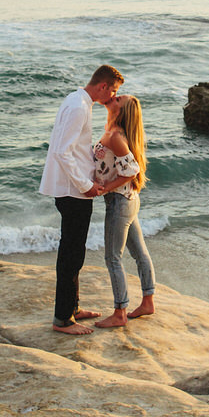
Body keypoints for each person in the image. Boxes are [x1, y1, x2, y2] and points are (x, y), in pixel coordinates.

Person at [39, 64, 124, 335]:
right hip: (71, 191)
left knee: (74, 253)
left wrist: (93, 159)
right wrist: (86, 185)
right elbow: (63, 153)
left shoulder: (77, 100)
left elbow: (72, 148)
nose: (112, 97)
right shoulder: (79, 107)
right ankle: (62, 319)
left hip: (71, 189)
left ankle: (72, 308)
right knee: (71, 255)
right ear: (102, 86)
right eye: (112, 90)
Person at [91, 93, 156, 329]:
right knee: (139, 252)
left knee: (112, 257)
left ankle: (120, 312)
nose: (114, 98)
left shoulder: (116, 135)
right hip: (128, 200)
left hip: (119, 202)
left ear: (122, 111)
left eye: (119, 100)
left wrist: (103, 189)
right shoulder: (112, 130)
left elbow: (131, 170)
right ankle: (148, 301)